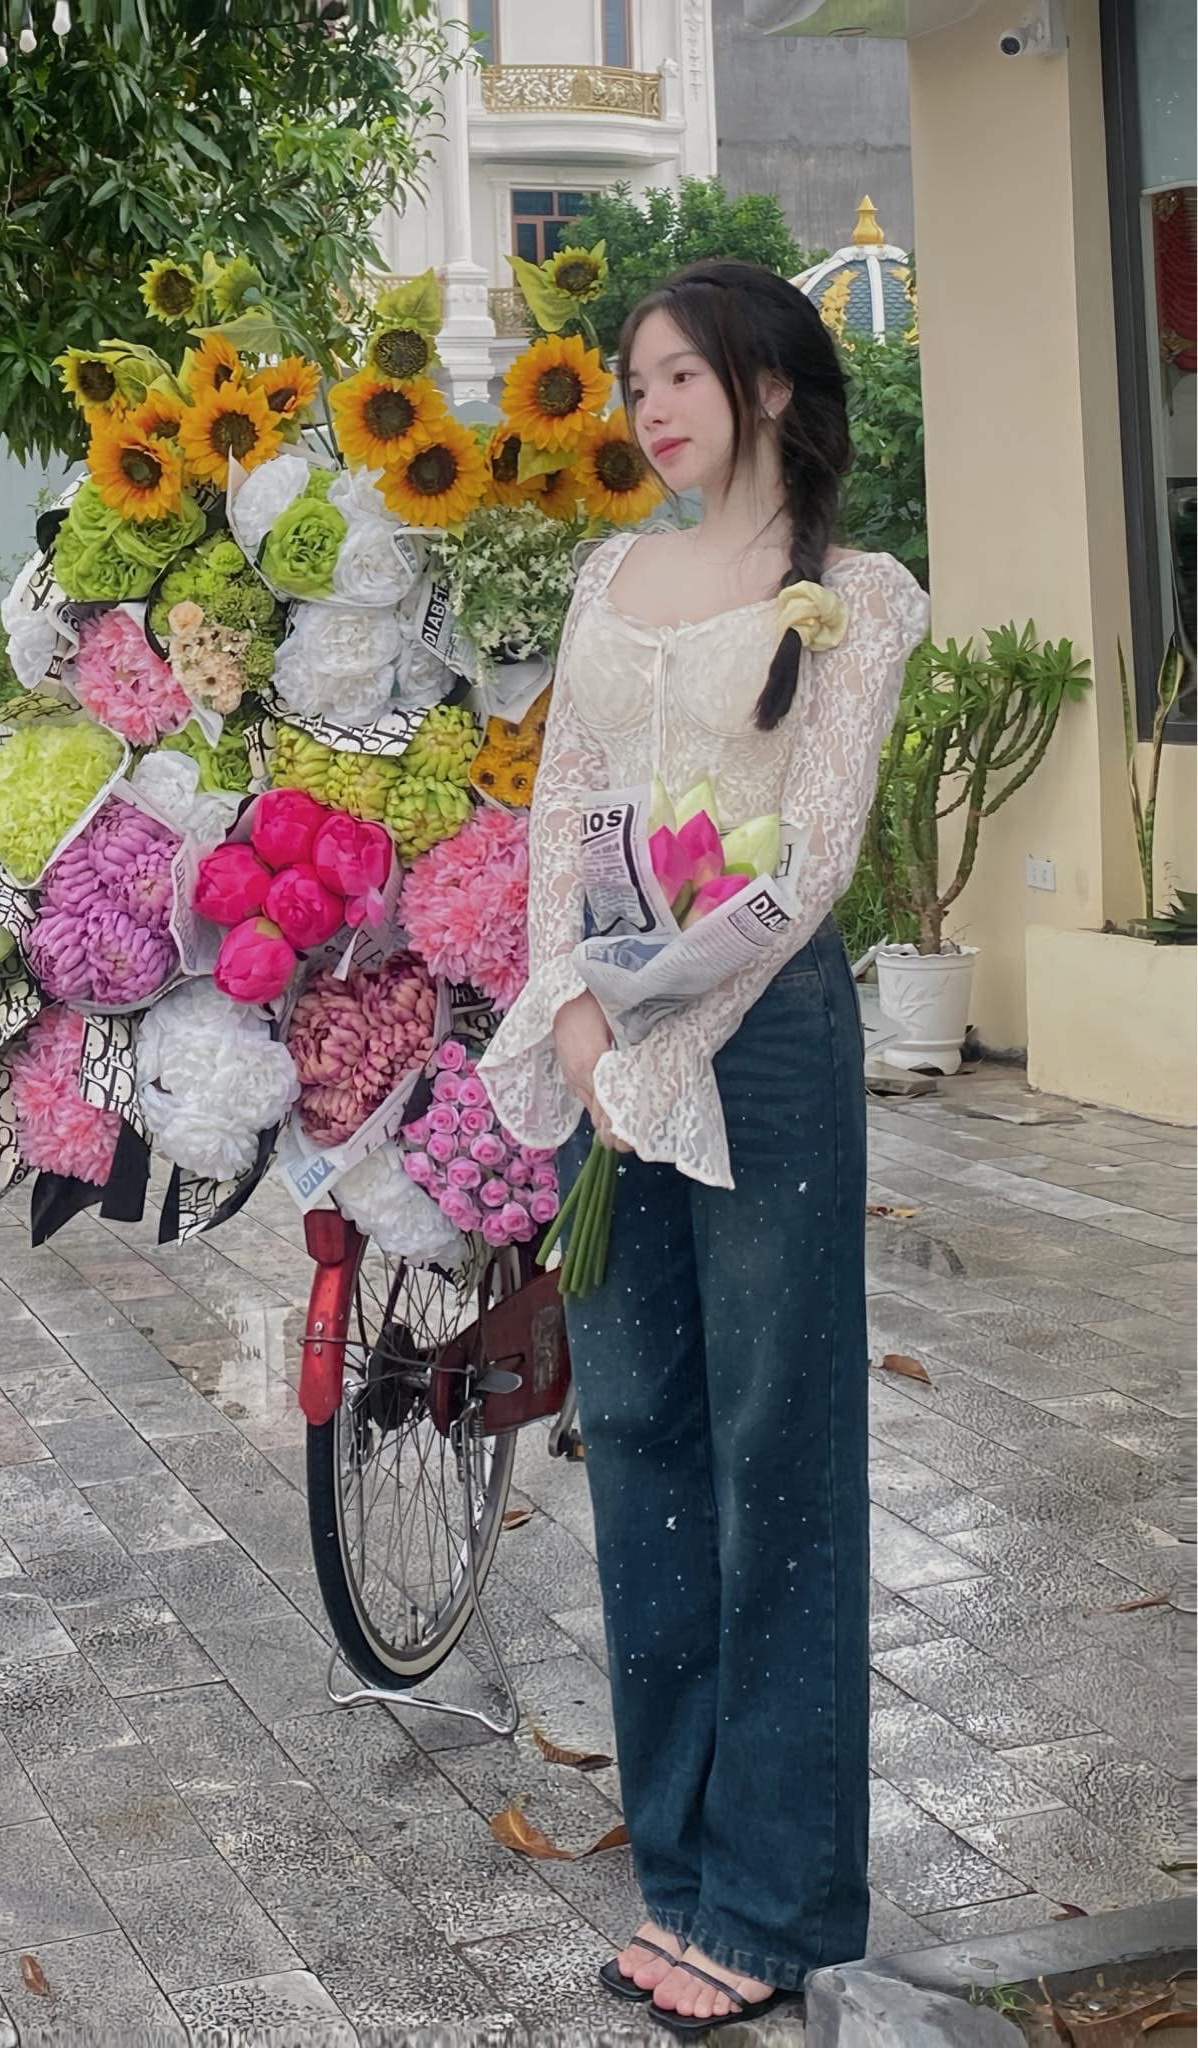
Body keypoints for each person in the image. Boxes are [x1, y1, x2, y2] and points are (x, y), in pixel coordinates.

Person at [480, 260, 930, 2037]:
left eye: (678, 373)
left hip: (763, 1049)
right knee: (646, 1439)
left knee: (776, 1454)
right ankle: (677, 1871)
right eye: (633, 379)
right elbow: (560, 815)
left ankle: (773, 1899)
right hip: (609, 1046)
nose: (648, 406)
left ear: (770, 384)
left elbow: (809, 855)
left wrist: (666, 1031)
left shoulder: (857, 593)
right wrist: (581, 1027)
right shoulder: (611, 574)